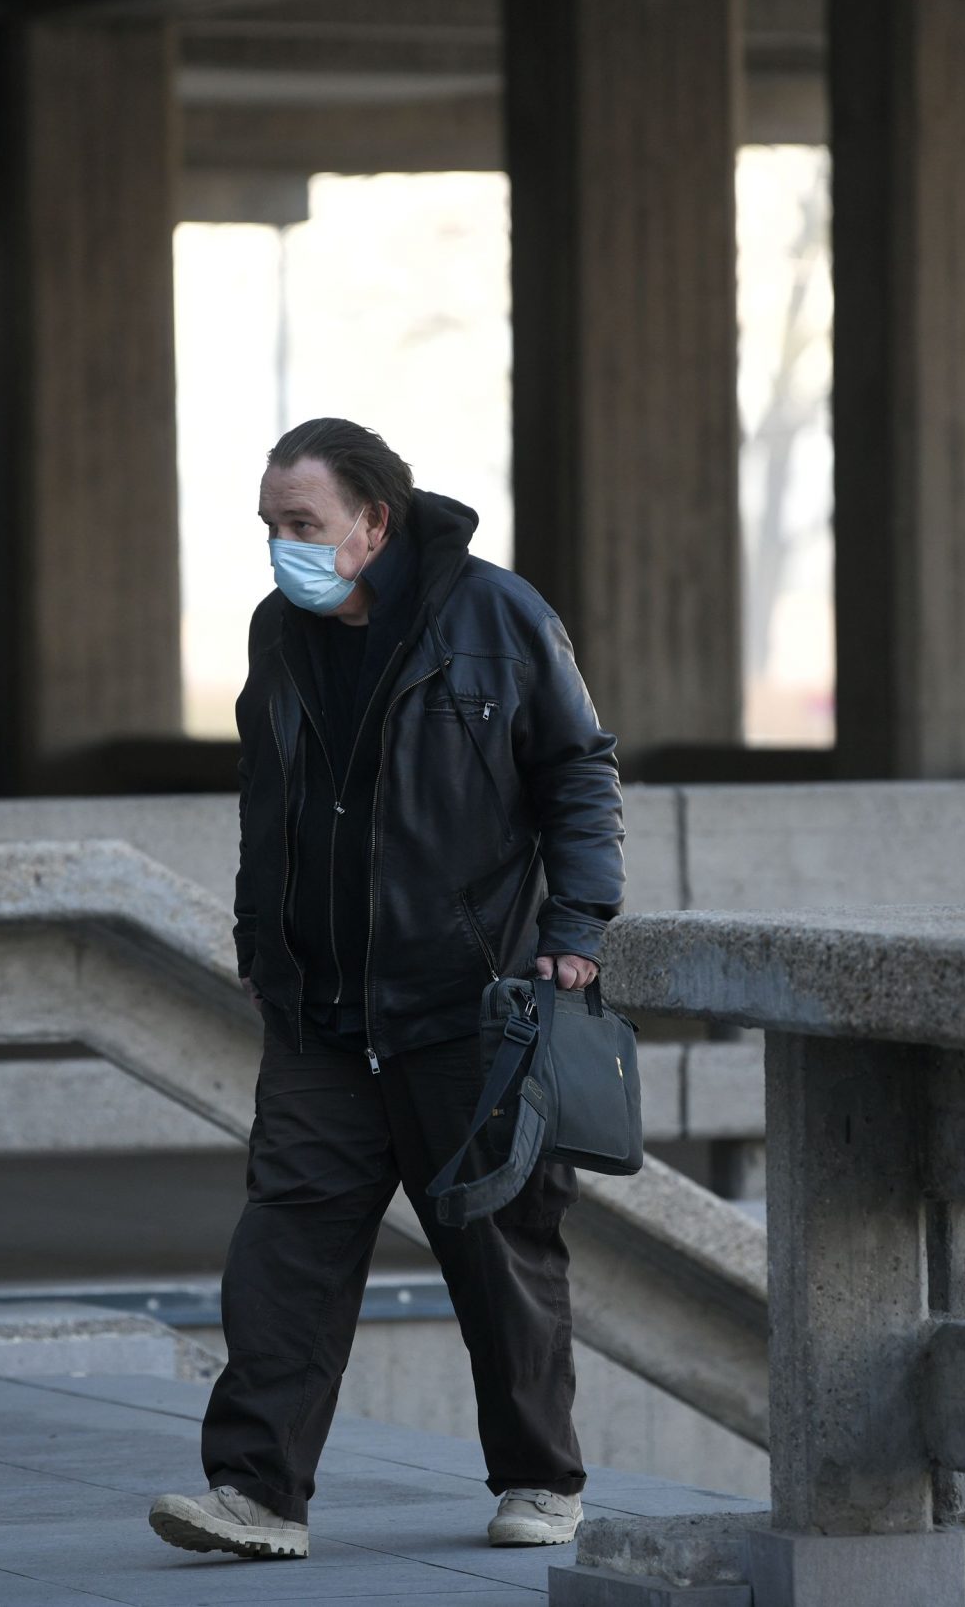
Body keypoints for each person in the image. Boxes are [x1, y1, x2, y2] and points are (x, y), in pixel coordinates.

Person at [148, 417, 624, 1562]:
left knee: (500, 1253)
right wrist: (259, 941)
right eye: (269, 525)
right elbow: (267, 804)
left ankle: (540, 1478)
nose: (282, 546)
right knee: (285, 1253)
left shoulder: (498, 618)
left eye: (301, 523)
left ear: (373, 521)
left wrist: (574, 927)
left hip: (468, 1005)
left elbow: (577, 772)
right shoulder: (278, 632)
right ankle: (256, 1495)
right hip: (317, 1015)